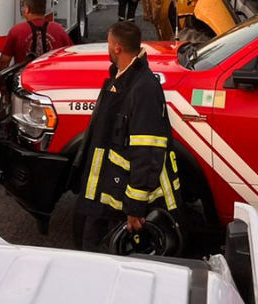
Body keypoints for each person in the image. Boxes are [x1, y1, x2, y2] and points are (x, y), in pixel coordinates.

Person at [75, 21, 182, 252]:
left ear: (116, 47)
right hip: (109, 196)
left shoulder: (143, 89)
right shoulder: (122, 79)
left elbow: (148, 151)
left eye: (108, 43)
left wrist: (135, 206)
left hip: (123, 203)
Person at [0, 0, 73, 70]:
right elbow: (70, 55)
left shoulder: (16, 31)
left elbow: (4, 61)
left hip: (24, 79)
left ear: (27, 9)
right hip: (52, 79)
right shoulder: (58, 30)